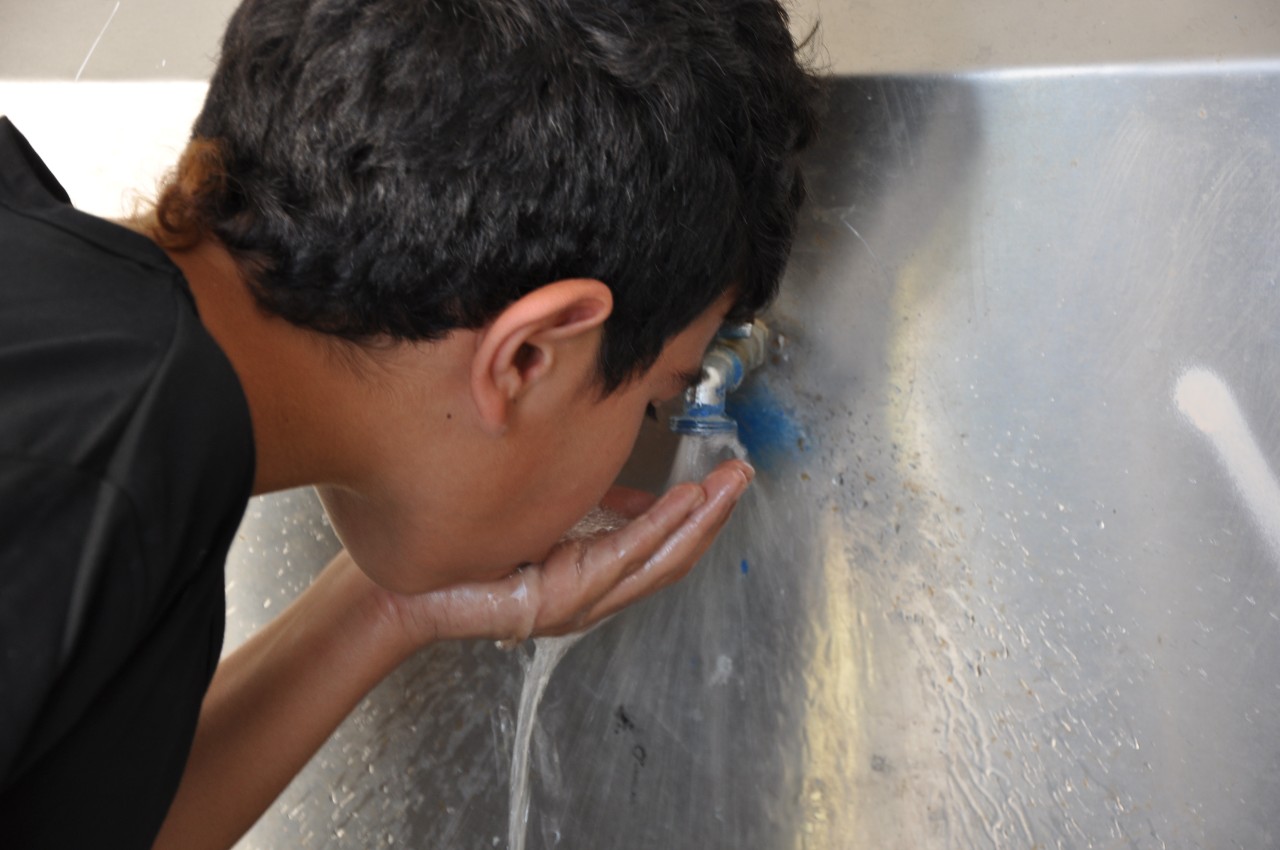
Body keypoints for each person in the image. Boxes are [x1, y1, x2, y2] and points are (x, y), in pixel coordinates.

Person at [0, 0, 821, 847]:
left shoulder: (94, 393)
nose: (648, 429)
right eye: (655, 400)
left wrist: (391, 608)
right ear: (530, 356)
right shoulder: (100, 465)